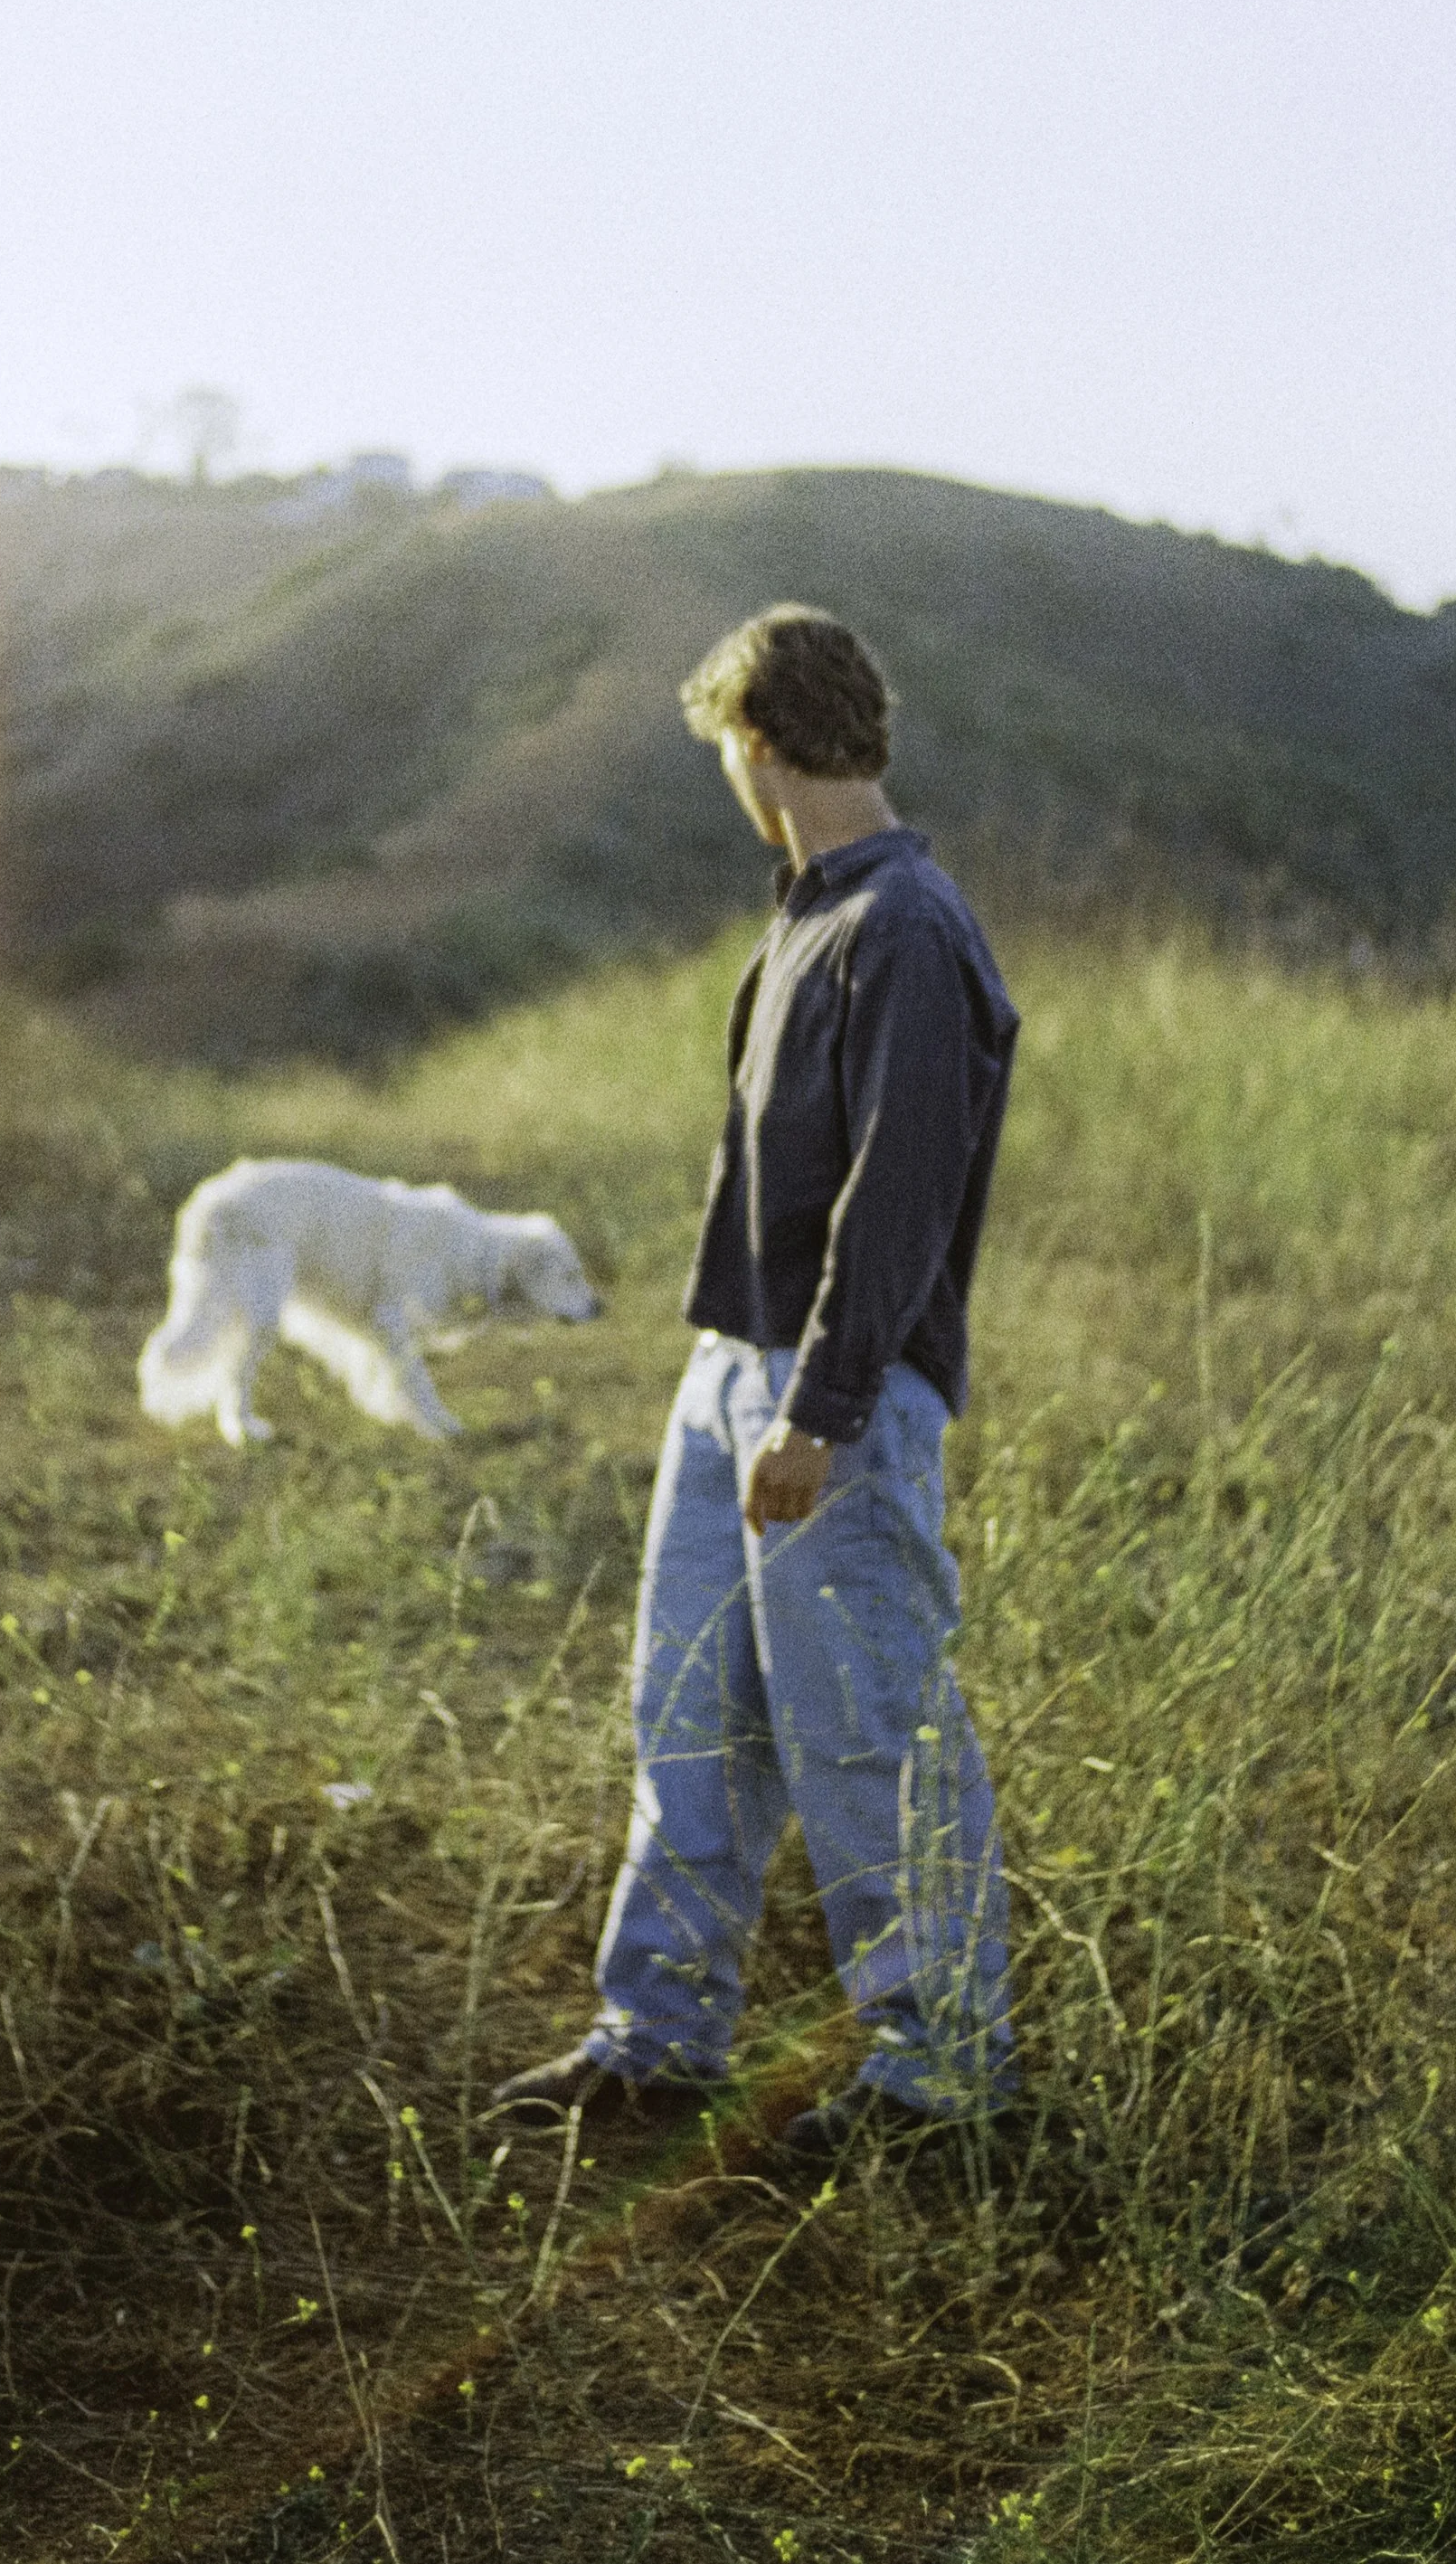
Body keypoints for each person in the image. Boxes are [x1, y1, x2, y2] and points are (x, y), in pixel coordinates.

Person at [487, 605, 1020, 2158]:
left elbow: (901, 1191)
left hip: (823, 1394)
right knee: (691, 1719)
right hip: (734, 1370)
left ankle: (946, 2086)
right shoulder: (810, 909)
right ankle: (655, 2044)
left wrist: (824, 1406)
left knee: (870, 1734)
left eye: (730, 753)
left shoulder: (904, 924)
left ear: (762, 745)